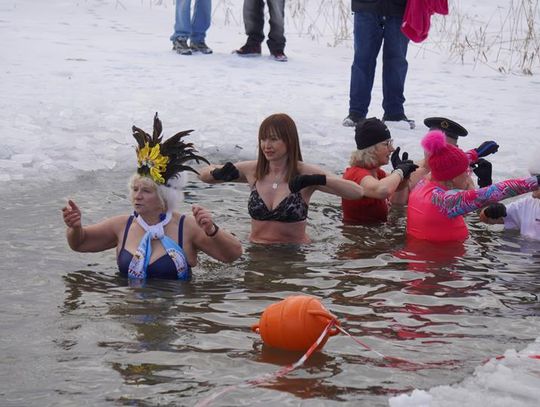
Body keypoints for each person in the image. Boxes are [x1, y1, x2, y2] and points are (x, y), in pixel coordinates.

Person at [62, 113, 242, 281]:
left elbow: (232, 255)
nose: (137, 196)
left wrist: (211, 229)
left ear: (164, 197)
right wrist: (75, 227)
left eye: (146, 191)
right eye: (135, 189)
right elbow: (80, 243)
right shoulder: (122, 225)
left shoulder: (186, 226)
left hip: (175, 303)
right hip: (130, 303)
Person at [198, 113, 365, 244]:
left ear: (289, 141)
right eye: (263, 139)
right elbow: (202, 174)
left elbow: (357, 192)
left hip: (293, 256)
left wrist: (318, 180)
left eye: (273, 139)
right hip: (256, 252)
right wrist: (217, 173)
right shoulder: (253, 170)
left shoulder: (305, 172)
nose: (266, 145)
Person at [407, 130, 539, 242]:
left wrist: (476, 153)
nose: (469, 174)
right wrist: (536, 181)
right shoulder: (445, 201)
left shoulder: (424, 182)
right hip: (440, 262)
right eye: (466, 172)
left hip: (424, 256)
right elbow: (496, 191)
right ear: (452, 179)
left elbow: (446, 163)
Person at [343, 0, 410, 127]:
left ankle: (394, 114)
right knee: (362, 61)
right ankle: (356, 113)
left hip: (399, 9)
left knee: (396, 63)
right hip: (366, 7)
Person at [341, 117, 418, 223]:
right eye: (386, 144)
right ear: (371, 149)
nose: (392, 149)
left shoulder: (375, 172)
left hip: (373, 229)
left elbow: (398, 189)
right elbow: (382, 190)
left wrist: (405, 176)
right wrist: (399, 172)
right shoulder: (356, 174)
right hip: (360, 232)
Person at [479, 161, 540, 240]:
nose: (531, 182)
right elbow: (485, 219)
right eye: (532, 177)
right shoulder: (526, 205)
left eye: (537, 179)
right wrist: (489, 211)